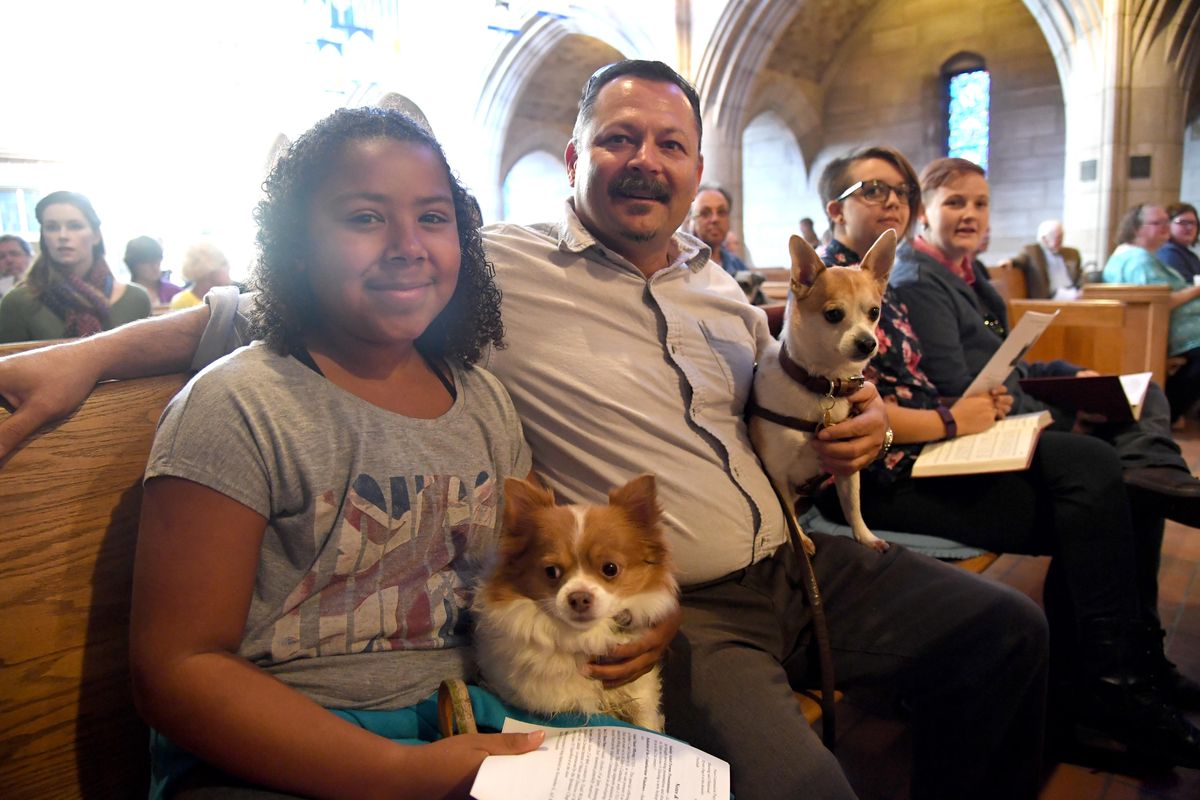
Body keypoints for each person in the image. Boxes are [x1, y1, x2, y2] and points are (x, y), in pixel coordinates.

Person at [0, 61, 1049, 800]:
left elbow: (776, 399)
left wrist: (850, 420)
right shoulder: (484, 267)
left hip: (789, 559)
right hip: (623, 629)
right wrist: (86, 354)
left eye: (671, 143)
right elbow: (270, 317)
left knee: (1007, 633)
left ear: (696, 166)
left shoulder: (721, 291)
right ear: (572, 155)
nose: (647, 160)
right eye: (620, 138)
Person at [130, 108, 559, 799]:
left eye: (434, 217)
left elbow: (540, 563)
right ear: (296, 244)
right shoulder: (242, 405)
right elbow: (178, 671)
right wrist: (397, 775)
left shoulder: (483, 400)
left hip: (462, 721)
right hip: (274, 751)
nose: (408, 245)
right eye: (364, 218)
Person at [815, 145, 1200, 767]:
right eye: (872, 191)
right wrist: (951, 418)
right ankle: (1106, 690)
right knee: (1100, 484)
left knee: (1108, 486)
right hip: (885, 475)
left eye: (900, 192)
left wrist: (959, 413)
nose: (892, 201)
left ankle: (1114, 680)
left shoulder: (878, 283)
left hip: (929, 448)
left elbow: (922, 384)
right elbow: (853, 421)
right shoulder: (828, 292)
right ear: (835, 210)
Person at [891, 159, 1200, 529]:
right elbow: (961, 389)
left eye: (981, 204)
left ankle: (1157, 472)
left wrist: (1069, 375)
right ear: (924, 211)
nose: (971, 215)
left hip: (1012, 398)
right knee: (1111, 463)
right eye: (955, 203)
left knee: (1145, 394)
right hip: (984, 423)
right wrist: (1069, 419)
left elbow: (1007, 362)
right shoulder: (919, 280)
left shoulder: (970, 273)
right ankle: (1149, 486)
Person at [0, 191, 151, 344]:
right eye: (52, 227)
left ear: (96, 236)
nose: (63, 235)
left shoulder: (136, 299)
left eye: (75, 226)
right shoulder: (18, 302)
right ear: (44, 237)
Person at [1102, 203, 1200, 423]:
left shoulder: (1143, 256)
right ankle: (1169, 413)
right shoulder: (1137, 259)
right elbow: (1160, 299)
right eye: (1158, 223)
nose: (1166, 227)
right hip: (1159, 331)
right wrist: (1197, 289)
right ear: (1137, 228)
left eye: (1167, 221)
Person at [1016, 219, 1083, 299]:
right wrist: (1010, 262)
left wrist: (1084, 289)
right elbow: (1020, 260)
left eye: (1062, 237)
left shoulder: (1072, 253)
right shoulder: (1032, 252)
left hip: (1073, 291)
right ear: (1044, 239)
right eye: (1057, 238)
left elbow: (1080, 274)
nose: (1061, 241)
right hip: (1050, 297)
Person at [168, 241, 234, 310]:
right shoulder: (181, 301)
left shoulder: (228, 296)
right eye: (223, 263)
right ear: (208, 271)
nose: (228, 267)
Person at [124, 236, 182, 306]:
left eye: (157, 260)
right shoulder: (123, 296)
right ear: (134, 264)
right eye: (147, 262)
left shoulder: (175, 293)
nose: (155, 266)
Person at [1158, 202, 1200, 283]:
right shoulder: (1169, 252)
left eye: (1193, 223)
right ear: (1168, 224)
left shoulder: (1189, 255)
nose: (1190, 227)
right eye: (1183, 222)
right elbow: (1184, 286)